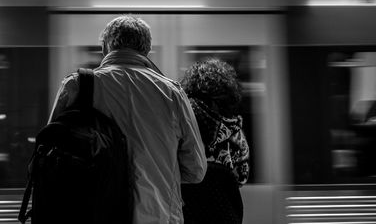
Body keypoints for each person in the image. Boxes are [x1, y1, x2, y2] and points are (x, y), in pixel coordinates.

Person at [48, 15, 207, 224]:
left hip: (91, 214)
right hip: (159, 217)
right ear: (147, 50)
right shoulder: (172, 93)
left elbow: (50, 158)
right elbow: (196, 171)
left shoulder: (76, 86)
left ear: (105, 47)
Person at [180, 58, 250, 224]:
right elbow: (242, 176)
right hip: (224, 212)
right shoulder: (234, 129)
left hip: (186, 212)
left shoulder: (181, 121)